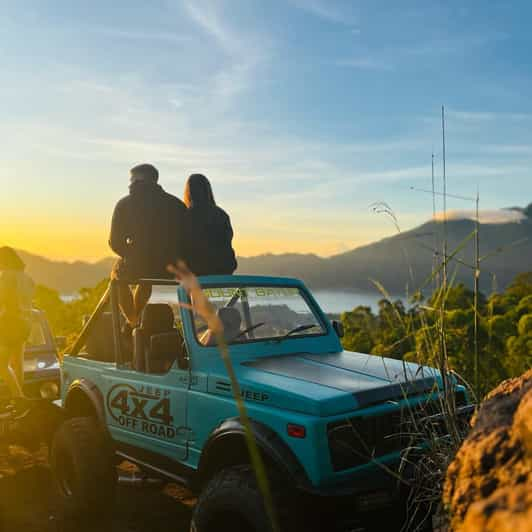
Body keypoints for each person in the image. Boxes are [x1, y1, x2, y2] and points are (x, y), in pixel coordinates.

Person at [109, 163, 187, 327]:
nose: (129, 183)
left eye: (131, 179)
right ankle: (136, 320)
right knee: (146, 279)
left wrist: (132, 254)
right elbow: (186, 240)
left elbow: (115, 242)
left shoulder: (125, 204)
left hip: (138, 266)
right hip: (169, 268)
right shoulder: (177, 205)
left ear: (138, 179)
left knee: (117, 278)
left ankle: (132, 322)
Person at [183, 173, 237, 276]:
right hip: (223, 270)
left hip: (195, 272)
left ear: (188, 192)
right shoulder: (221, 215)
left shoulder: (185, 216)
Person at [0, 247, 34, 398]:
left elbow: (2, 297)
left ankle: (19, 398)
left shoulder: (7, 275)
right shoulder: (27, 278)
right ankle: (19, 402)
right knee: (17, 364)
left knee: (2, 365)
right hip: (25, 323)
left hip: (10, 323)